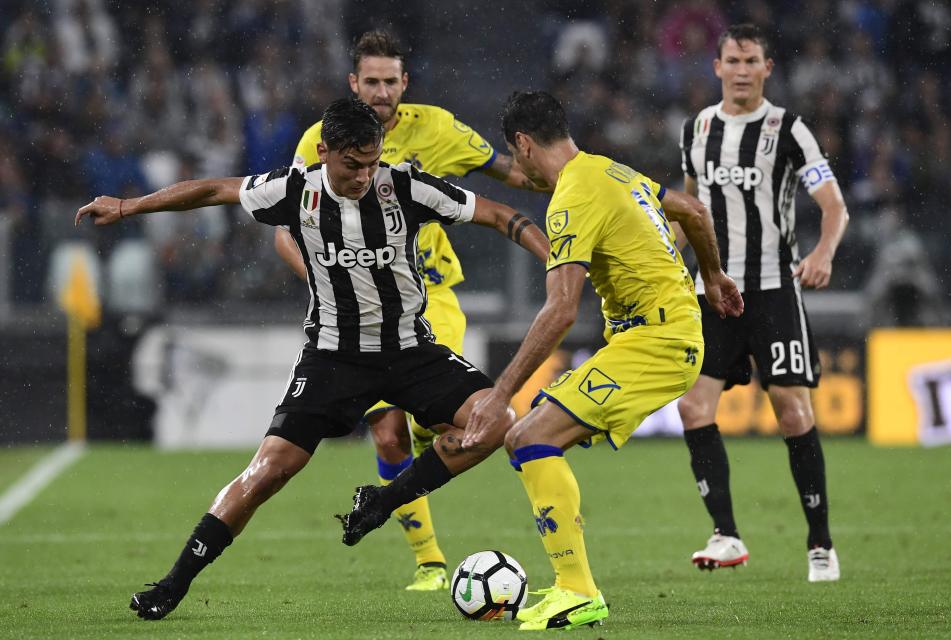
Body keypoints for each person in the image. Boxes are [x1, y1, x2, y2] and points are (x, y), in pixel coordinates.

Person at [75, 97, 549, 621]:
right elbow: (213, 189)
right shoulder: (294, 188)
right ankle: (173, 583)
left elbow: (501, 214)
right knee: (267, 472)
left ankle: (383, 502)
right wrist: (128, 206)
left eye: (372, 162)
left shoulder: (407, 187)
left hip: (411, 350)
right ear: (323, 153)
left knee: (498, 421)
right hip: (332, 357)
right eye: (352, 165)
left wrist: (557, 259)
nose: (365, 177)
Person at [339, 91, 743, 631]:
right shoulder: (612, 171)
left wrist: (500, 394)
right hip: (655, 337)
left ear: (523, 145)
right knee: (526, 436)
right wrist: (711, 276)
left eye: (516, 156)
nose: (519, 169)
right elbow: (692, 210)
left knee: (528, 436)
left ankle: (577, 592)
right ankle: (562, 582)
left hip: (658, 341)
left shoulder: (573, 196)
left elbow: (559, 311)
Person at [275, 30, 542, 592]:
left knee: (435, 423)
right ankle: (428, 562)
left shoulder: (439, 129)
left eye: (389, 81)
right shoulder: (318, 141)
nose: (380, 91)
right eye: (369, 81)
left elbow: (511, 173)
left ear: (405, 83)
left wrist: (573, 179)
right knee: (388, 434)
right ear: (354, 82)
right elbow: (286, 232)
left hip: (433, 296)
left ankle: (420, 467)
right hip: (358, 317)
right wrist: (332, 287)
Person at [677, 24, 849, 582]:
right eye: (734, 59)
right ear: (717, 66)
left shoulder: (789, 129)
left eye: (752, 60)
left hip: (775, 289)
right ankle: (726, 535)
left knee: (793, 413)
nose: (743, 69)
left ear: (768, 68)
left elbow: (834, 206)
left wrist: (823, 252)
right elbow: (687, 209)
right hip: (713, 292)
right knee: (692, 408)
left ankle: (820, 544)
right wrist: (665, 266)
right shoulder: (697, 129)